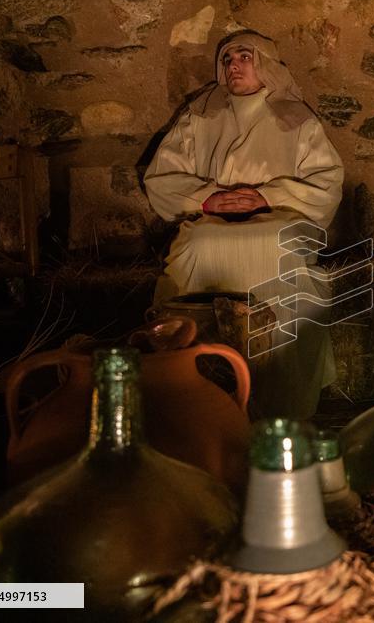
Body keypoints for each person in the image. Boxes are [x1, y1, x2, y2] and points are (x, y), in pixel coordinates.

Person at [144, 30, 343, 420]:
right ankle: (195, 385)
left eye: (244, 57)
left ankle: (277, 392)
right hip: (212, 220)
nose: (233, 65)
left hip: (281, 220)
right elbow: (161, 177)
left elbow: (327, 181)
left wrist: (271, 197)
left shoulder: (295, 117)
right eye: (228, 59)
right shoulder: (201, 115)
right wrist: (205, 198)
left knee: (272, 242)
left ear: (265, 63)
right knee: (199, 243)